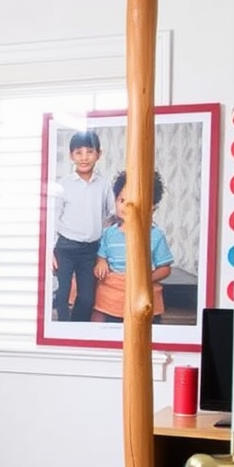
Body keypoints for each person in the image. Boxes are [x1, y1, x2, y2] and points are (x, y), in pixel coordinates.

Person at [91, 169, 173, 323]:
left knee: (150, 296)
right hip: (114, 286)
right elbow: (101, 256)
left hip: (140, 285)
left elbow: (165, 268)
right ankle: (97, 337)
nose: (126, 207)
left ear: (152, 207)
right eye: (122, 201)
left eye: (135, 202)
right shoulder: (109, 233)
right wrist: (101, 262)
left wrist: (145, 278)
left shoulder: (155, 235)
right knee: (101, 294)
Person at [52, 130, 115, 322]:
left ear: (99, 154)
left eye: (89, 151)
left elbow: (112, 214)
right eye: (78, 153)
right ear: (71, 156)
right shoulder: (63, 184)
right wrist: (50, 251)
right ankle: (62, 328)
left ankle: (77, 328)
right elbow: (53, 219)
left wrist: (103, 252)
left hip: (90, 250)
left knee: (87, 298)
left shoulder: (104, 185)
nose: (84, 157)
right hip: (65, 247)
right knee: (62, 293)